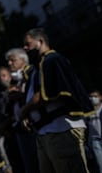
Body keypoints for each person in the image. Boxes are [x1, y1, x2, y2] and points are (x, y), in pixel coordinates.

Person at [20, 27, 94, 173]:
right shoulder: (37, 69)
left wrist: (24, 111)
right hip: (44, 132)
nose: (25, 48)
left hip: (61, 129)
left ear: (40, 41)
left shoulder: (53, 60)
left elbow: (44, 94)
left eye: (28, 44)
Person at [5, 48, 39, 173]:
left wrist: (21, 96)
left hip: (34, 126)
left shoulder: (33, 74)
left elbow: (37, 96)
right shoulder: (13, 82)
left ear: (23, 60)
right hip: (19, 128)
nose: (9, 64)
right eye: (8, 61)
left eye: (12, 60)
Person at [0, 66, 25, 173]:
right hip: (8, 136)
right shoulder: (0, 97)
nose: (2, 79)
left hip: (22, 132)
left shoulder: (19, 89)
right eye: (0, 77)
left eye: (4, 75)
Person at [87, 90, 102, 173]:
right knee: (101, 165)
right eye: (91, 96)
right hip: (95, 141)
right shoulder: (88, 111)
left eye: (95, 96)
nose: (93, 98)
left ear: (100, 97)